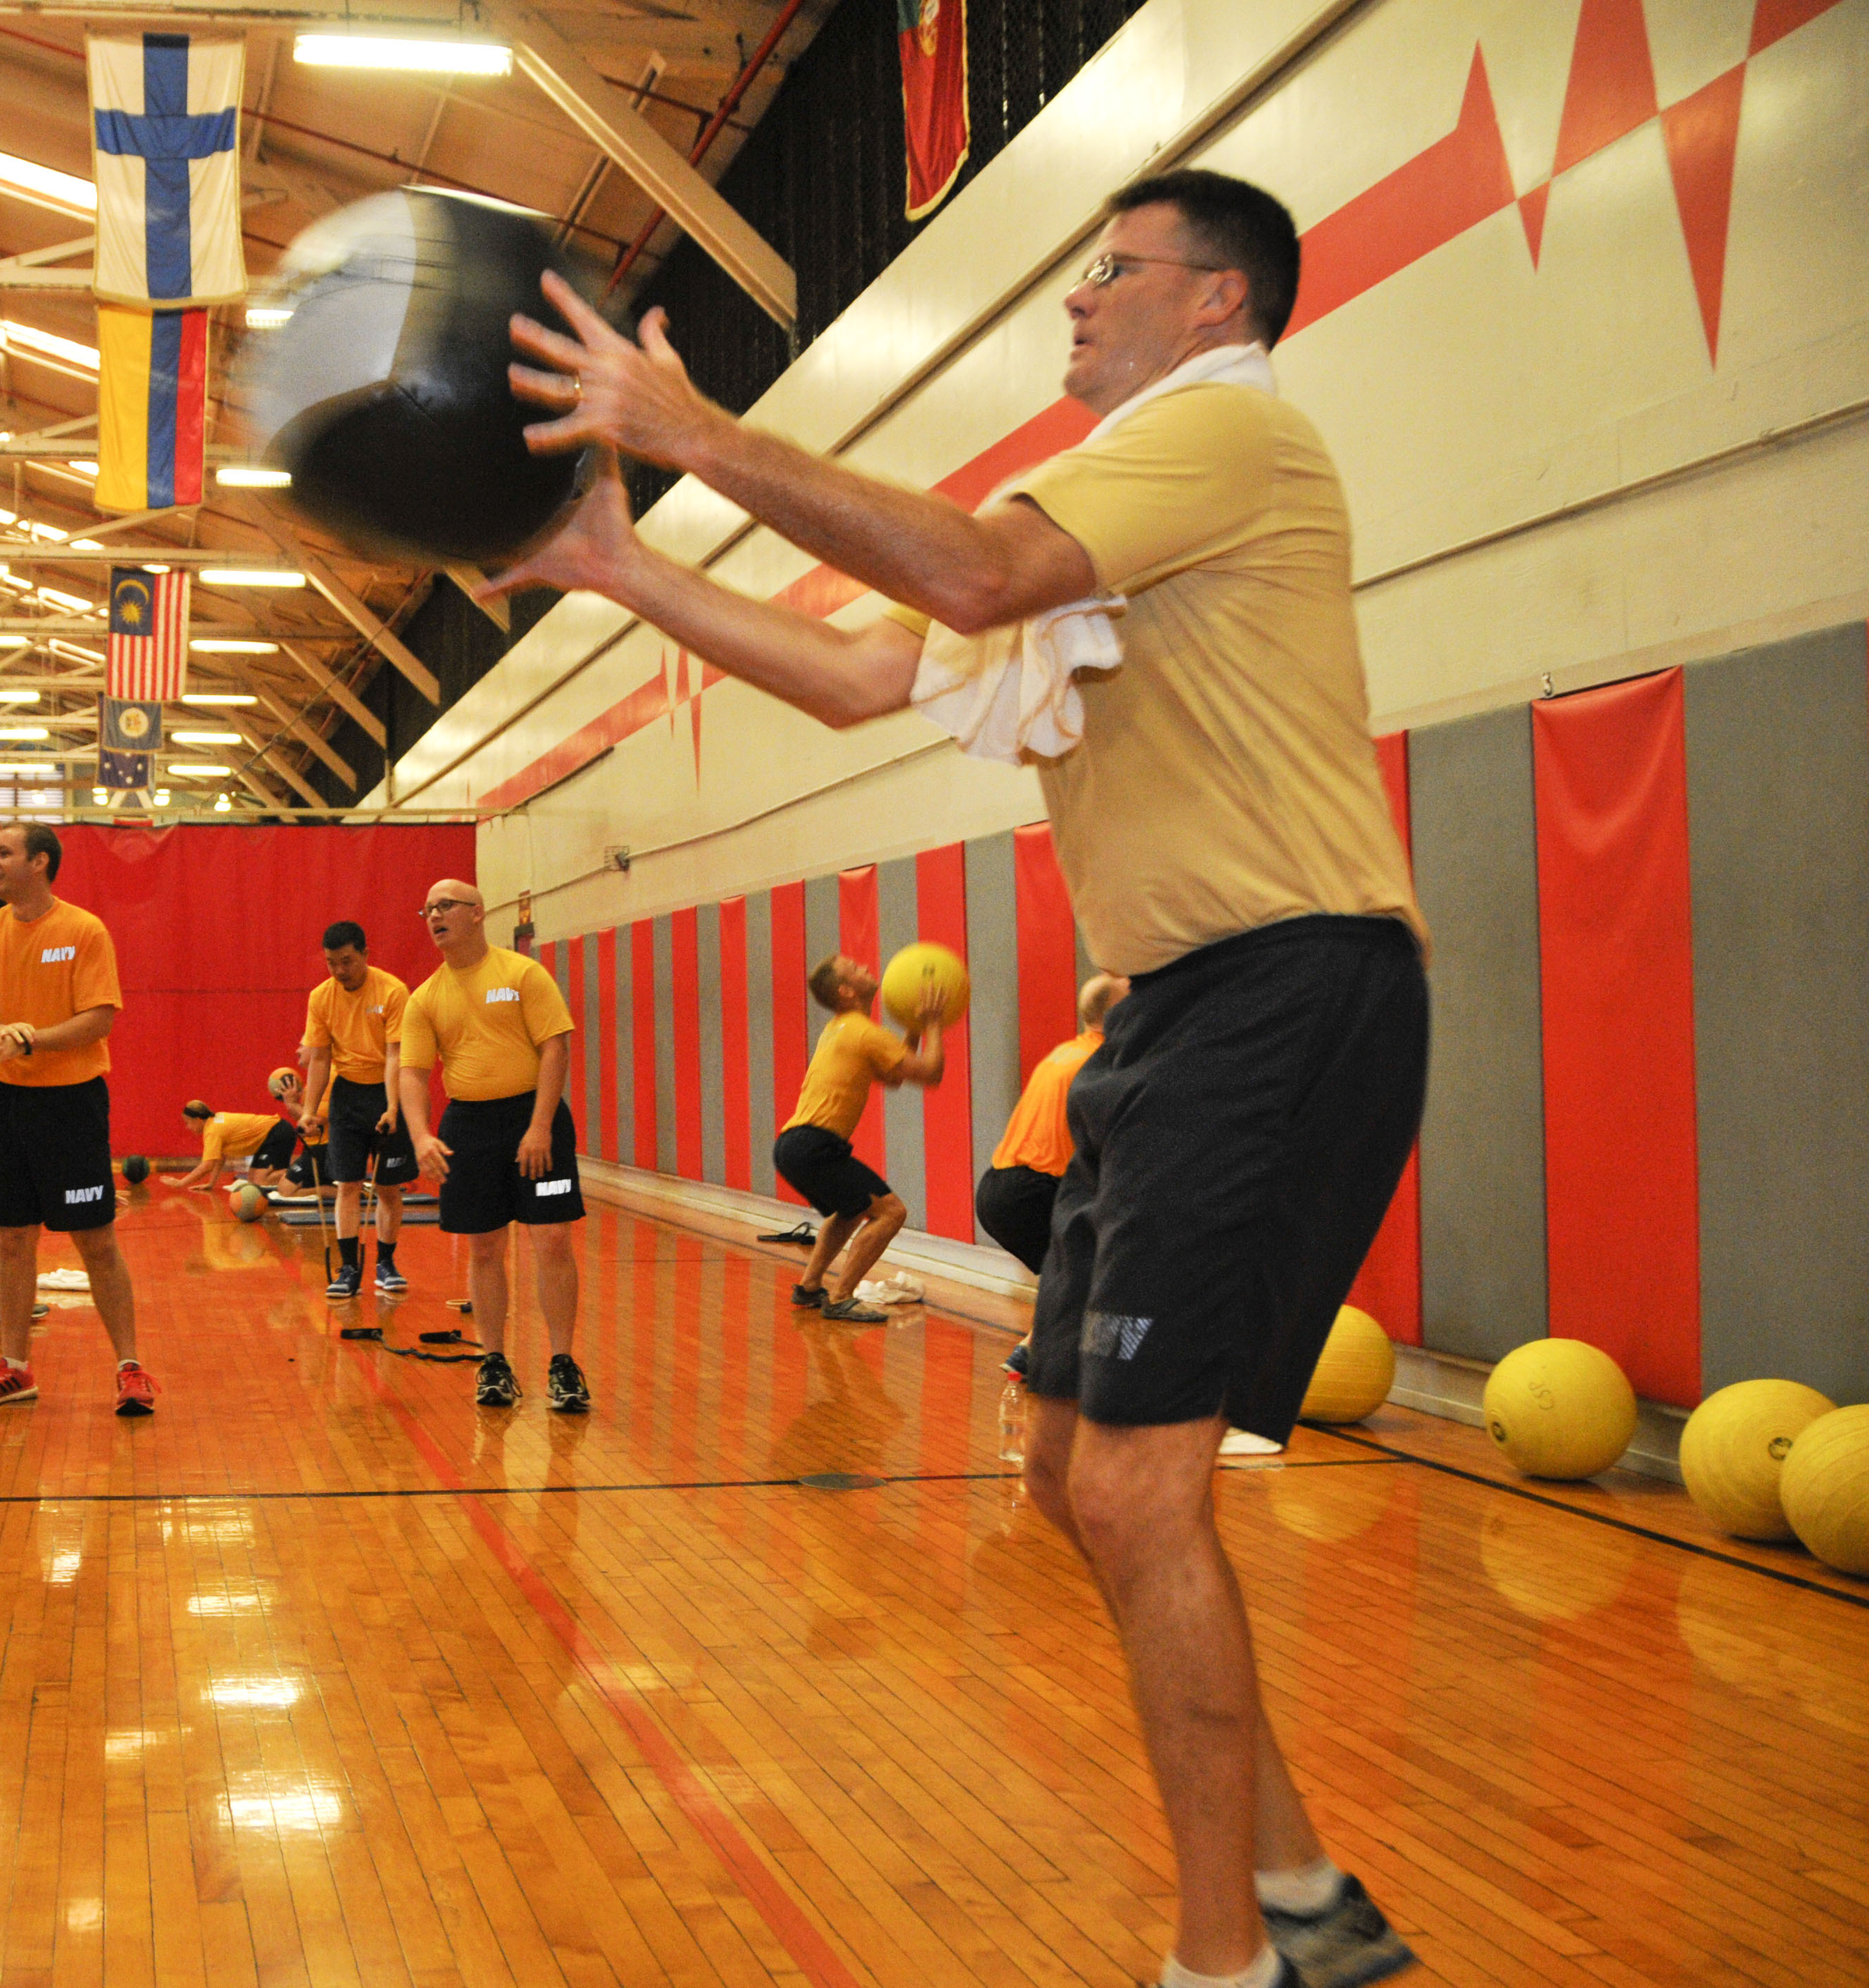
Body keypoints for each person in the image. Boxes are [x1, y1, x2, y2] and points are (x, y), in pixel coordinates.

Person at [486, 170, 1424, 1988]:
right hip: (1169, 1016)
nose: (1078, 302)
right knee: (1077, 1472)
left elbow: (973, 563)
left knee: (1146, 1499)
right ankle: (1306, 1895)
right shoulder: (1118, 522)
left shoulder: (1230, 439)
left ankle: (1229, 1958)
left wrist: (693, 429)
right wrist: (620, 560)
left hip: (1288, 989)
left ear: (1219, 303)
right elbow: (852, 672)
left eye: (1112, 273)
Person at [0, 823, 156, 1415]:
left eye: (3, 853)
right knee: (12, 1239)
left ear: (39, 862)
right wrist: (7, 1036)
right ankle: (16, 1369)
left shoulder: (83, 930)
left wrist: (30, 1041)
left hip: (70, 1105)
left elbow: (98, 1020)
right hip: (3, 1105)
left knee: (95, 1240)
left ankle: (130, 1369)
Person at [396, 880, 590, 1414]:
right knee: (484, 1248)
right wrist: (421, 1136)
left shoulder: (520, 975)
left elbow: (556, 1047)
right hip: (469, 1131)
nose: (435, 915)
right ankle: (496, 1364)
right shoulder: (425, 998)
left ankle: (563, 1365)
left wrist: (540, 1126)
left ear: (477, 914)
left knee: (551, 1238)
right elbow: (412, 1075)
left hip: (536, 1122)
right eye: (428, 908)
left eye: (446, 906)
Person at [773, 956, 947, 1321]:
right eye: (855, 968)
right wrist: (933, 1024)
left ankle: (809, 1287)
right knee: (891, 1212)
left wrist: (913, 1030)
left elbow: (894, 1076)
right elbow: (930, 1073)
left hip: (794, 1145)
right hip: (812, 1145)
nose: (866, 967)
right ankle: (840, 1297)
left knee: (852, 1211)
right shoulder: (862, 1031)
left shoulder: (842, 1028)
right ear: (846, 991)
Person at [295, 920, 417, 1300]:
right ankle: (348, 1269)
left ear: (366, 954)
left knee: (387, 1188)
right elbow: (319, 1058)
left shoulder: (393, 992)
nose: (339, 971)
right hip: (347, 1093)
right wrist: (309, 1111)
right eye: (332, 963)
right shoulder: (321, 997)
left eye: (347, 961)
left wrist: (394, 1108)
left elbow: (397, 1054)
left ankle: (385, 1262)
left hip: (385, 1089)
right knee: (347, 1184)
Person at [979, 972, 1131, 1276]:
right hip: (1033, 1193)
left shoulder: (1066, 1052)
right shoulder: (1103, 1063)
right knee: (1102, 1279)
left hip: (998, 1189)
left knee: (1074, 1289)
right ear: (1117, 1014)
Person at [172, 1097, 278, 1191]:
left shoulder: (212, 1130)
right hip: (274, 1133)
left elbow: (207, 1166)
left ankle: (291, 1177)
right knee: (254, 1180)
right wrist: (211, 1184)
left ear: (198, 1120)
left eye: (188, 1123)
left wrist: (180, 1183)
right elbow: (220, 1158)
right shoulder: (215, 1120)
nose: (187, 1127)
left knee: (261, 1181)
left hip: (277, 1133)